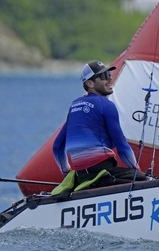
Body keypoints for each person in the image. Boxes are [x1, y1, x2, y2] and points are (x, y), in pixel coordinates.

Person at [52, 60, 147, 191]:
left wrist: (66, 173)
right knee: (146, 178)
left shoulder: (74, 105)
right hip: (103, 172)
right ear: (90, 83)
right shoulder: (106, 105)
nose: (109, 80)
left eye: (109, 75)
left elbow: (57, 146)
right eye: (103, 77)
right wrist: (139, 174)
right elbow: (122, 147)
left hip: (81, 176)